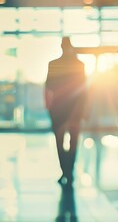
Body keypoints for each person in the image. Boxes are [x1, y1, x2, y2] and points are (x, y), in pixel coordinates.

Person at [45, 37, 87, 186]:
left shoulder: (54, 64)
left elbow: (48, 86)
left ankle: (65, 171)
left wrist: (50, 107)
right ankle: (69, 172)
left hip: (59, 109)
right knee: (73, 142)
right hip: (74, 109)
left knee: (60, 142)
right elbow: (84, 90)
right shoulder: (79, 65)